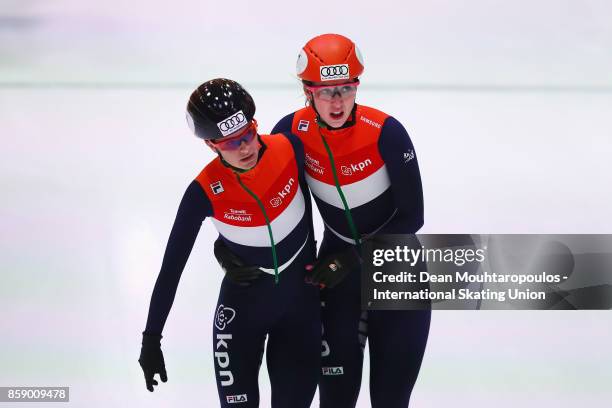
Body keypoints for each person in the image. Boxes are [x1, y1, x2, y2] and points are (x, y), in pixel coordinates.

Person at [270, 34, 432, 408]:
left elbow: (413, 215)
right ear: (307, 91)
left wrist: (351, 259)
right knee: (335, 398)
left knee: (390, 400)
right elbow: (273, 199)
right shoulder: (290, 132)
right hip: (336, 271)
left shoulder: (386, 132)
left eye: (345, 88)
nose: (337, 101)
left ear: (357, 86)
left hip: (396, 268)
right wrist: (231, 245)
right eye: (326, 91)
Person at [138, 78, 320, 408]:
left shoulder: (289, 148)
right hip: (241, 314)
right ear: (211, 146)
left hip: (300, 308)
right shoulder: (202, 192)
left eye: (249, 134)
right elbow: (171, 269)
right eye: (231, 144)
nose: (246, 148)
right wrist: (151, 338)